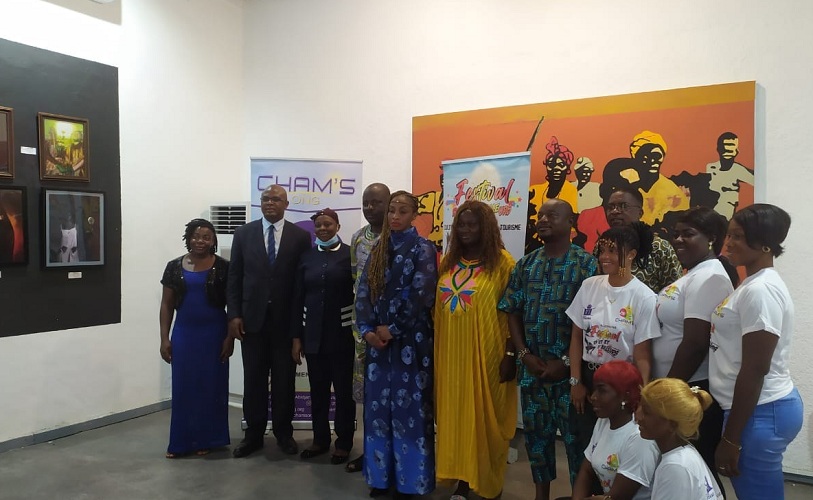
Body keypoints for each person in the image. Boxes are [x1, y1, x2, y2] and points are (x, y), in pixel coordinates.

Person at [498, 198, 598, 500]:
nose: (542, 220)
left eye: (552, 215)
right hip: (533, 372)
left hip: (572, 376)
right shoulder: (526, 264)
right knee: (537, 441)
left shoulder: (587, 265)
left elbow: (593, 322)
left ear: (571, 222)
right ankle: (541, 495)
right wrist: (523, 355)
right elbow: (512, 309)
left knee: (576, 443)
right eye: (540, 215)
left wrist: (566, 363)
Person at [710, 203, 804, 499]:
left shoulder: (760, 290)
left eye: (738, 236)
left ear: (765, 244)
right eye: (729, 234)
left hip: (761, 411)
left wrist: (731, 439)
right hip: (758, 409)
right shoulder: (751, 284)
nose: (728, 242)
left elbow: (756, 368)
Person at [355, 190, 438, 500]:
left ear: (414, 215)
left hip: (410, 345)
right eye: (392, 210)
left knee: (410, 412)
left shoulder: (423, 248)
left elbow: (422, 295)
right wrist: (367, 330)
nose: (395, 216)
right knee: (377, 412)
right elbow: (363, 291)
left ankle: (409, 483)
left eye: (402, 211)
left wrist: (392, 329)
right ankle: (380, 477)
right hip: (378, 346)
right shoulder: (379, 248)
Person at [434, 200, 517, 500]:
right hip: (451, 355)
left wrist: (510, 354)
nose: (466, 230)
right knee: (457, 419)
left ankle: (488, 482)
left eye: (473, 224)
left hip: (487, 356)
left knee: (484, 421)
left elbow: (513, 312)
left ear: (486, 228)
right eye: (461, 224)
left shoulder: (503, 263)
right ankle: (462, 480)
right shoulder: (449, 261)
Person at [652, 207, 736, 491]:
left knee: (699, 473)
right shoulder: (695, 274)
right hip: (681, 386)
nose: (678, 240)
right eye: (676, 234)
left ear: (711, 238)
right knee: (685, 472)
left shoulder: (710, 276)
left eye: (688, 234)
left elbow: (695, 343)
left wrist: (666, 392)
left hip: (691, 390)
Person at [227, 184, 312, 458]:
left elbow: (302, 284)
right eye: (265, 199)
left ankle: (284, 434)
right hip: (251, 322)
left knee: (284, 382)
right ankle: (253, 435)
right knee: (253, 380)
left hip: (285, 324)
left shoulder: (300, 237)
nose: (270, 203)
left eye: (276, 199)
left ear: (286, 204)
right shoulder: (243, 233)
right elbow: (234, 277)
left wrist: (299, 328)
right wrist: (234, 315)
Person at [567, 222, 660, 456]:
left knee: (615, 449)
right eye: (602, 250)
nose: (604, 257)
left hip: (621, 384)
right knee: (585, 443)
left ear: (631, 255)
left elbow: (642, 354)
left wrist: (641, 396)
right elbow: (576, 337)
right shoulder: (589, 286)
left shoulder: (644, 297)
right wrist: (576, 381)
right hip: (588, 376)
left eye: (612, 251)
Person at [159, 218, 231, 458]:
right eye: (196, 236)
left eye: (206, 237)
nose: (200, 241)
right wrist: (164, 338)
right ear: (188, 238)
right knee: (184, 387)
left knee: (211, 387)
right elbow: (166, 305)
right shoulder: (173, 267)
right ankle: (180, 442)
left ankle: (207, 439)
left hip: (215, 334)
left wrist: (230, 338)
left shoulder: (224, 267)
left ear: (213, 241)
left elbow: (232, 305)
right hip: (185, 334)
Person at [290, 208, 356, 464]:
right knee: (318, 391)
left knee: (344, 393)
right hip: (313, 336)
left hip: (343, 336)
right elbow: (297, 298)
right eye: (318, 225)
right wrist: (296, 338)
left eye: (328, 224)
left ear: (338, 226)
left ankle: (344, 443)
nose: (323, 229)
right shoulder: (306, 257)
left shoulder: (350, 255)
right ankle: (320, 440)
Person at [346, 182, 391, 473]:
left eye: (376, 202)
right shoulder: (357, 239)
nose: (370, 208)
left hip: (392, 332)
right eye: (366, 202)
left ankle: (391, 455)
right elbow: (355, 280)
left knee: (391, 397)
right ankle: (369, 452)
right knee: (368, 397)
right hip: (363, 333)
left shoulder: (399, 238)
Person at [570, 361, 660, 500]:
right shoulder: (603, 421)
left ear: (625, 396)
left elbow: (617, 497)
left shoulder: (639, 435)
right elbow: (586, 471)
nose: (593, 396)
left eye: (602, 390)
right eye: (594, 389)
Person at [637, 378, 724, 500]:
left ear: (672, 424)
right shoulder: (687, 452)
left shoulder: (675, 466)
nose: (639, 417)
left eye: (646, 413)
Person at [602, 187, 682, 293]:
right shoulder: (603, 246)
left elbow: (675, 290)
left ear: (640, 213)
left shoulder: (659, 247)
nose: (615, 211)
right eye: (611, 207)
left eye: (623, 206)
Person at [706, 132, 754, 218]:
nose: (727, 151)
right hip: (710, 212)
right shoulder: (711, 167)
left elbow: (758, 180)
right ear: (718, 149)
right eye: (725, 147)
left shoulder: (738, 170)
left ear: (736, 151)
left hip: (726, 213)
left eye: (731, 148)